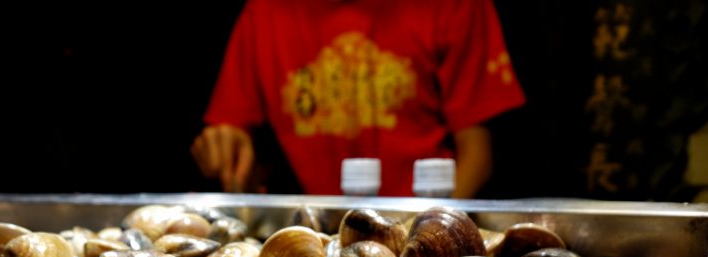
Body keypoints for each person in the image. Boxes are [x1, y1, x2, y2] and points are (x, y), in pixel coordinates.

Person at [191, 0, 526, 198]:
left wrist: (430, 235)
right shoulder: (264, 11)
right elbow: (230, 137)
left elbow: (478, 153)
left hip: (426, 219)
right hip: (321, 236)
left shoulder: (454, 5)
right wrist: (223, 148)